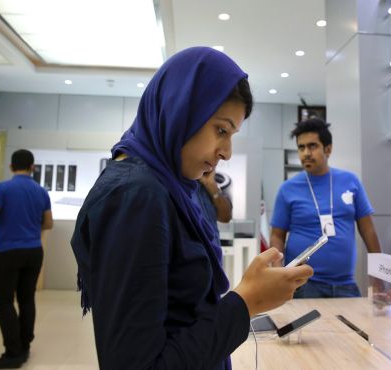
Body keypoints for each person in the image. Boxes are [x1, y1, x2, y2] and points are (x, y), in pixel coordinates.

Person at [70, 47, 313, 370]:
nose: (226, 151)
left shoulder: (169, 186)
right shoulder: (136, 196)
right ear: (180, 111)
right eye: (221, 130)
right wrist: (246, 301)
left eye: (231, 135)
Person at [270, 118, 381, 298]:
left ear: (328, 149)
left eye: (312, 146)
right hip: (303, 284)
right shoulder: (288, 189)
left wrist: (378, 275)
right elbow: (277, 235)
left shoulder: (350, 181)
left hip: (345, 284)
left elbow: (368, 230)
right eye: (301, 147)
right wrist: (278, 274)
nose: (306, 153)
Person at [0, 149, 53, 368]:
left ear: (11, 167)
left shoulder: (2, 188)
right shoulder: (41, 191)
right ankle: (25, 345)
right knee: (26, 299)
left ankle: (13, 352)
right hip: (33, 251)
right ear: (33, 168)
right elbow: (48, 224)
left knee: (4, 302)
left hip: (7, 253)